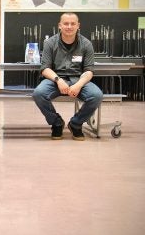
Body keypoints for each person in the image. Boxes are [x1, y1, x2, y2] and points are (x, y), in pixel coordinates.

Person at [32, 12, 103, 141]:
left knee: (96, 95)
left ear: (78, 26)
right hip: (55, 80)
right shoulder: (50, 43)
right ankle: (57, 123)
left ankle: (76, 124)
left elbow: (89, 71)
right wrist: (58, 80)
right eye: (66, 23)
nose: (69, 26)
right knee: (39, 93)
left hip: (78, 79)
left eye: (72, 23)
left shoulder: (86, 44)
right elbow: (45, 68)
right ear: (60, 25)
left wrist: (78, 85)